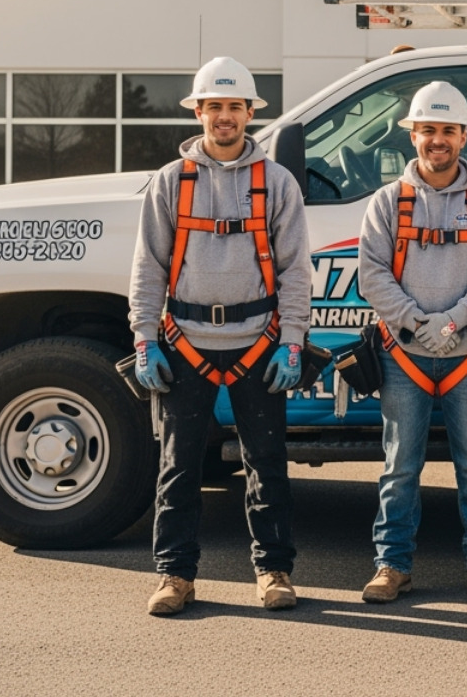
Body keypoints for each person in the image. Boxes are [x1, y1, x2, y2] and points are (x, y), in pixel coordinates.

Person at [129, 57, 311, 616]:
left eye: (235, 107)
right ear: (199, 112)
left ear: (251, 114)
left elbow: (295, 270)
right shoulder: (171, 181)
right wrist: (144, 339)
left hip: (259, 339)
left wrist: (294, 340)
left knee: (267, 462)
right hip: (185, 340)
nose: (225, 117)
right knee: (179, 466)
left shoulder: (276, 183)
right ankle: (174, 576)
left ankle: (273, 570)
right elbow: (148, 266)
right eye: (215, 106)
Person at [356, 81, 467, 603]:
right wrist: (414, 322)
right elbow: (372, 274)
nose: (437, 140)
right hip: (404, 356)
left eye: (448, 130)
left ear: (464, 137)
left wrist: (451, 322)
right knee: (400, 468)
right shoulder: (386, 203)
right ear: (413, 136)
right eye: (428, 130)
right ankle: (391, 566)